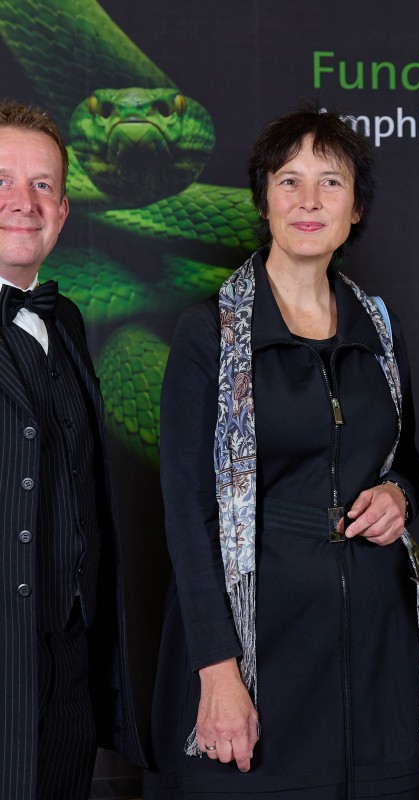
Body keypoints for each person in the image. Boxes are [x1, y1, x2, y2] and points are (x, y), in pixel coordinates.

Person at [143, 107, 419, 800]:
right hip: (260, 651)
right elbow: (187, 514)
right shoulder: (208, 332)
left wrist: (400, 495)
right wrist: (217, 670)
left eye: (331, 182)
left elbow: (407, 462)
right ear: (263, 201)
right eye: (289, 181)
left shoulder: (380, 327)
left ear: (357, 207)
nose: (309, 201)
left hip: (380, 652)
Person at [0, 100, 146, 799]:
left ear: (62, 212)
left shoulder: (71, 323)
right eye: (1, 180)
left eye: (42, 186)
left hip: (66, 673)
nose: (23, 202)